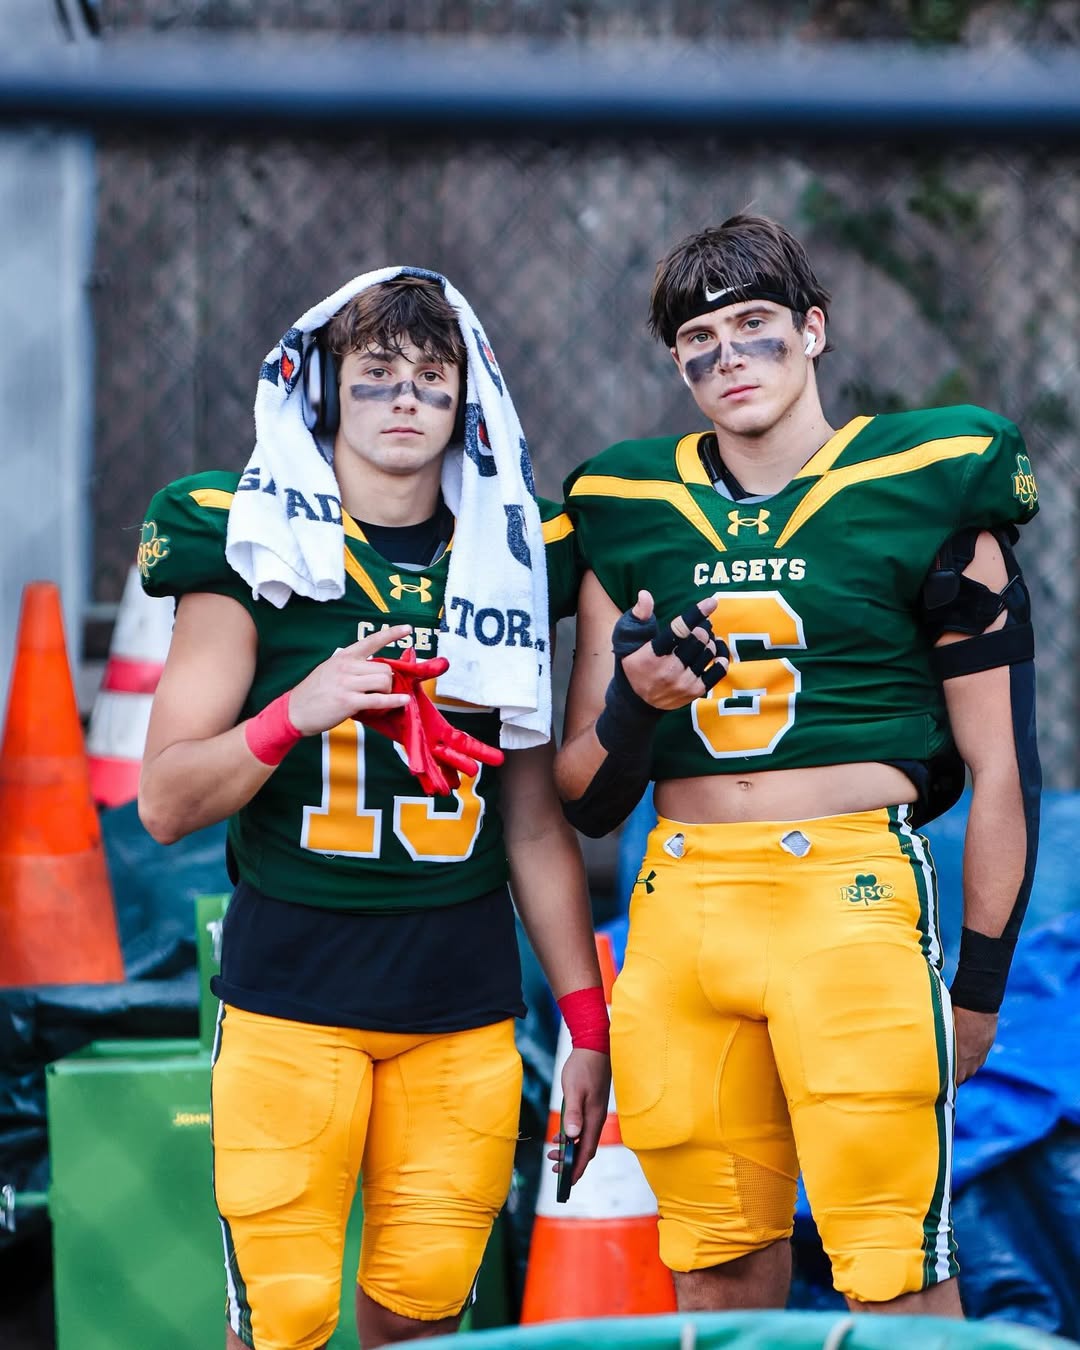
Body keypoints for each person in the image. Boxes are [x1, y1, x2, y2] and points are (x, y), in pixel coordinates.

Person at [554, 215, 1040, 1317]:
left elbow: (1004, 766)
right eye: (699, 340)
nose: (729, 357)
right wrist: (637, 703)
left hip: (849, 897)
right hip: (681, 906)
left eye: (755, 326)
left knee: (894, 1271)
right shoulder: (627, 508)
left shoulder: (926, 484)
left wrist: (979, 989)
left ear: (813, 330)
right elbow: (585, 798)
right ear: (675, 363)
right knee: (716, 1279)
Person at [138, 269, 610, 1350]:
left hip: (460, 1004)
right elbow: (163, 803)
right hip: (291, 998)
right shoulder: (253, 544)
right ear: (324, 393)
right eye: (378, 374)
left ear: (467, 404)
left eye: (433, 379)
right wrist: (292, 714)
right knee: (286, 1321)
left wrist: (587, 1026)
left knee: (423, 1314)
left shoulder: (512, 558)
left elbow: (533, 823)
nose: (406, 399)